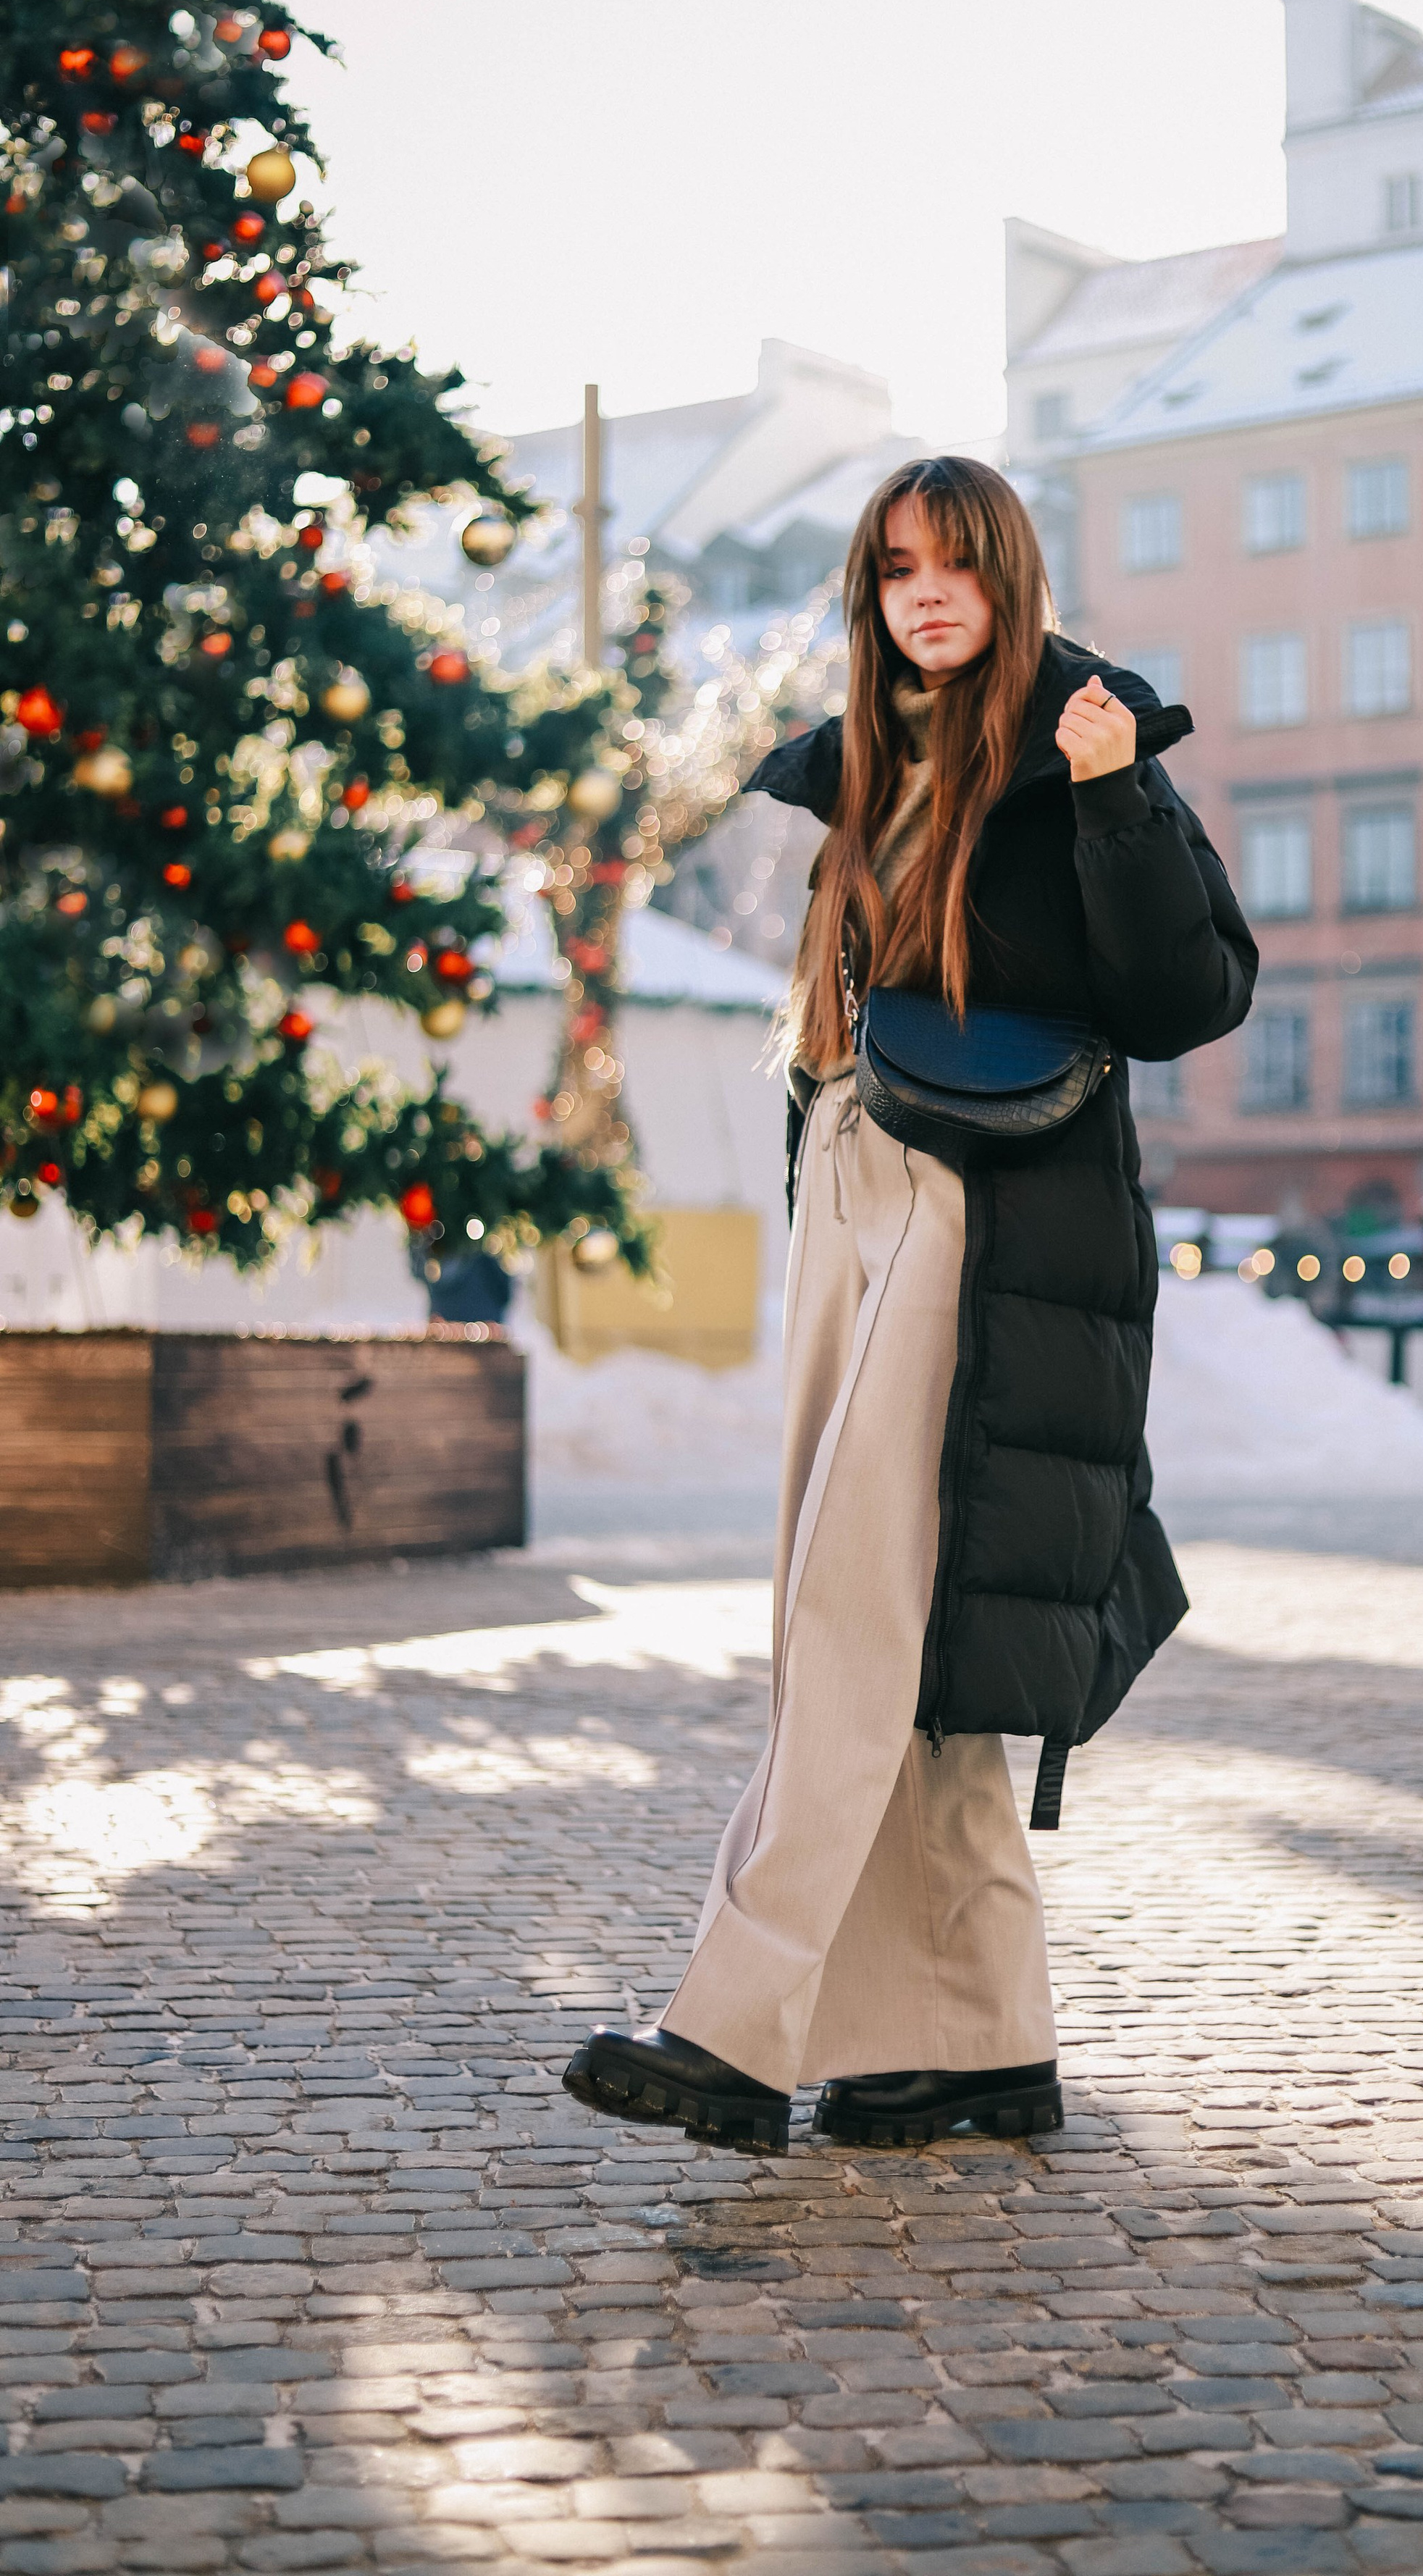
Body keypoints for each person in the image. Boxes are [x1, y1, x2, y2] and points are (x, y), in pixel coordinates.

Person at [562, 456, 1258, 2154]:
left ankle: (735, 2021)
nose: (922, 593)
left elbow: (1190, 995)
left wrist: (1108, 801)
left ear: (1008, 574)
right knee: (894, 1632)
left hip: (991, 1218)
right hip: (858, 1184)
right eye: (891, 570)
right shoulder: (877, 766)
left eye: (952, 563)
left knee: (852, 1616)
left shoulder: (1082, 742)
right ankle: (968, 2038)